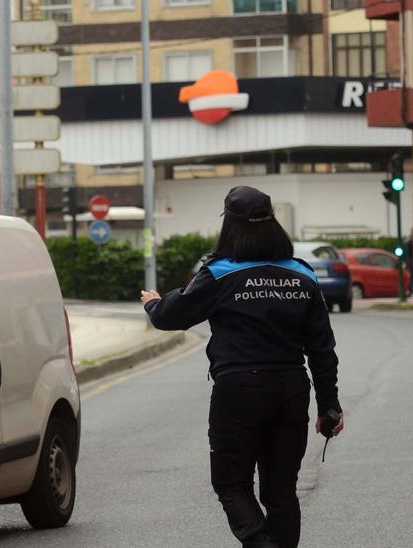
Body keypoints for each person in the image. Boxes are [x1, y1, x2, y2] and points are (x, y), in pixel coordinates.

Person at [140, 186, 343, 548]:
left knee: (231, 484)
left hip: (239, 392)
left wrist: (154, 304)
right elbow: (322, 350)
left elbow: (172, 316)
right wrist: (330, 406)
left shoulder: (220, 273)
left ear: (230, 227)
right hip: (291, 390)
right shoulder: (303, 275)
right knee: (281, 491)